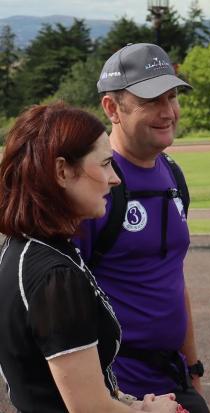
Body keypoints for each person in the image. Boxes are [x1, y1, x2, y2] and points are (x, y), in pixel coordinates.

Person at [0, 103, 181, 413]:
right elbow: (88, 408)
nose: (116, 179)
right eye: (106, 164)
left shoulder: (22, 249)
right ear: (62, 171)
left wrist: (131, 404)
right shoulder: (54, 275)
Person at [74, 43, 210, 412]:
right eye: (152, 101)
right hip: (119, 389)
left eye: (172, 97)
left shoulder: (173, 175)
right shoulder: (93, 185)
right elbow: (57, 297)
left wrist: (192, 366)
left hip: (173, 377)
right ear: (112, 108)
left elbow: (172, 278)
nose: (168, 112)